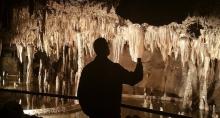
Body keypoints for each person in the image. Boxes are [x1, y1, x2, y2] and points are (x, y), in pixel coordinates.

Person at [77, 37, 143, 118]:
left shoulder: (88, 69)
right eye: (106, 46)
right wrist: (139, 61)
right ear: (104, 49)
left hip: (95, 114)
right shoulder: (114, 69)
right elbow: (134, 79)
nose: (108, 47)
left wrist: (90, 111)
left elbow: (81, 93)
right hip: (112, 114)